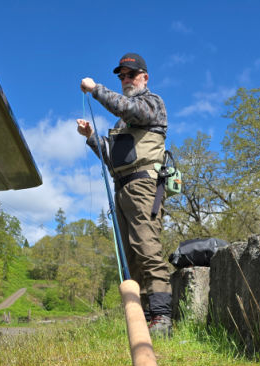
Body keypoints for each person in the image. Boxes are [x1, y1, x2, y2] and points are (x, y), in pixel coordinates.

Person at [76, 52, 172, 337]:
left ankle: (162, 318)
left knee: (148, 249)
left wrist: (96, 89)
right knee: (129, 259)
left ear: (144, 77)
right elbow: (112, 158)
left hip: (145, 187)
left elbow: (129, 109)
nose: (125, 80)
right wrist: (92, 137)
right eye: (122, 76)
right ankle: (140, 319)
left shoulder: (152, 104)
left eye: (130, 75)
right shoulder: (121, 125)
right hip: (122, 190)